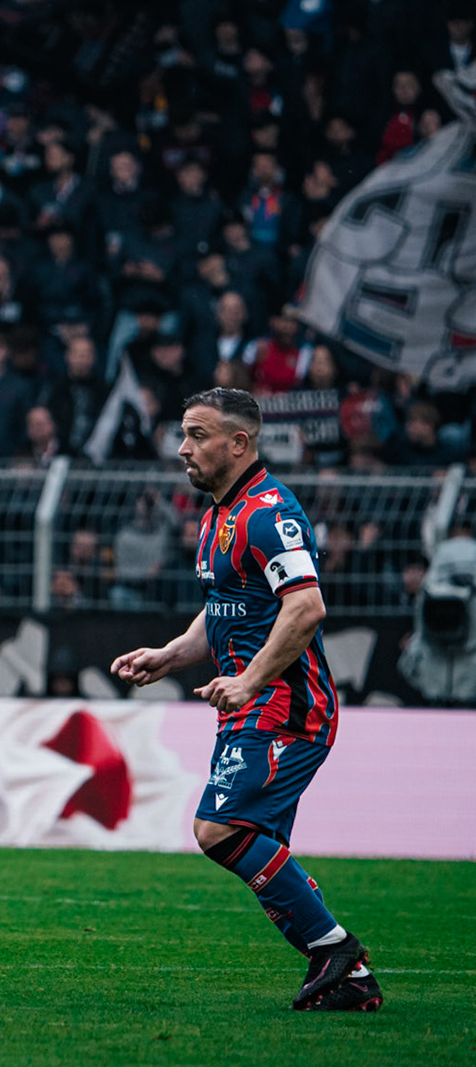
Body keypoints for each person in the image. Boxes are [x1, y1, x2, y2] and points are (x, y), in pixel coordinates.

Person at [110, 387, 380, 1012]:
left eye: (198, 435)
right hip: (251, 704)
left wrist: (251, 679)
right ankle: (351, 979)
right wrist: (170, 654)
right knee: (258, 848)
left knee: (219, 828)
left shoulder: (268, 513)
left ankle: (336, 948)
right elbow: (224, 610)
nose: (183, 448)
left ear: (240, 443)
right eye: (183, 433)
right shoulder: (216, 517)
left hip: (287, 705)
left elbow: (306, 606)